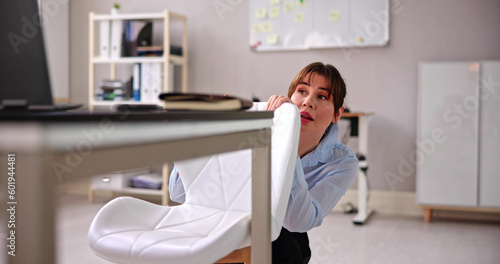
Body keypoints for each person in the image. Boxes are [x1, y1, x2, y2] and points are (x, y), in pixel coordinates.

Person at [169, 62, 358, 264]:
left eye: (322, 96)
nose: (307, 102)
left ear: (338, 113)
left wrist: (288, 143)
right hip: (231, 216)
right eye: (302, 91)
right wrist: (211, 133)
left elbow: (299, 221)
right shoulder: (256, 127)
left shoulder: (342, 161)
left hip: (284, 233)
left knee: (281, 250)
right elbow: (178, 193)